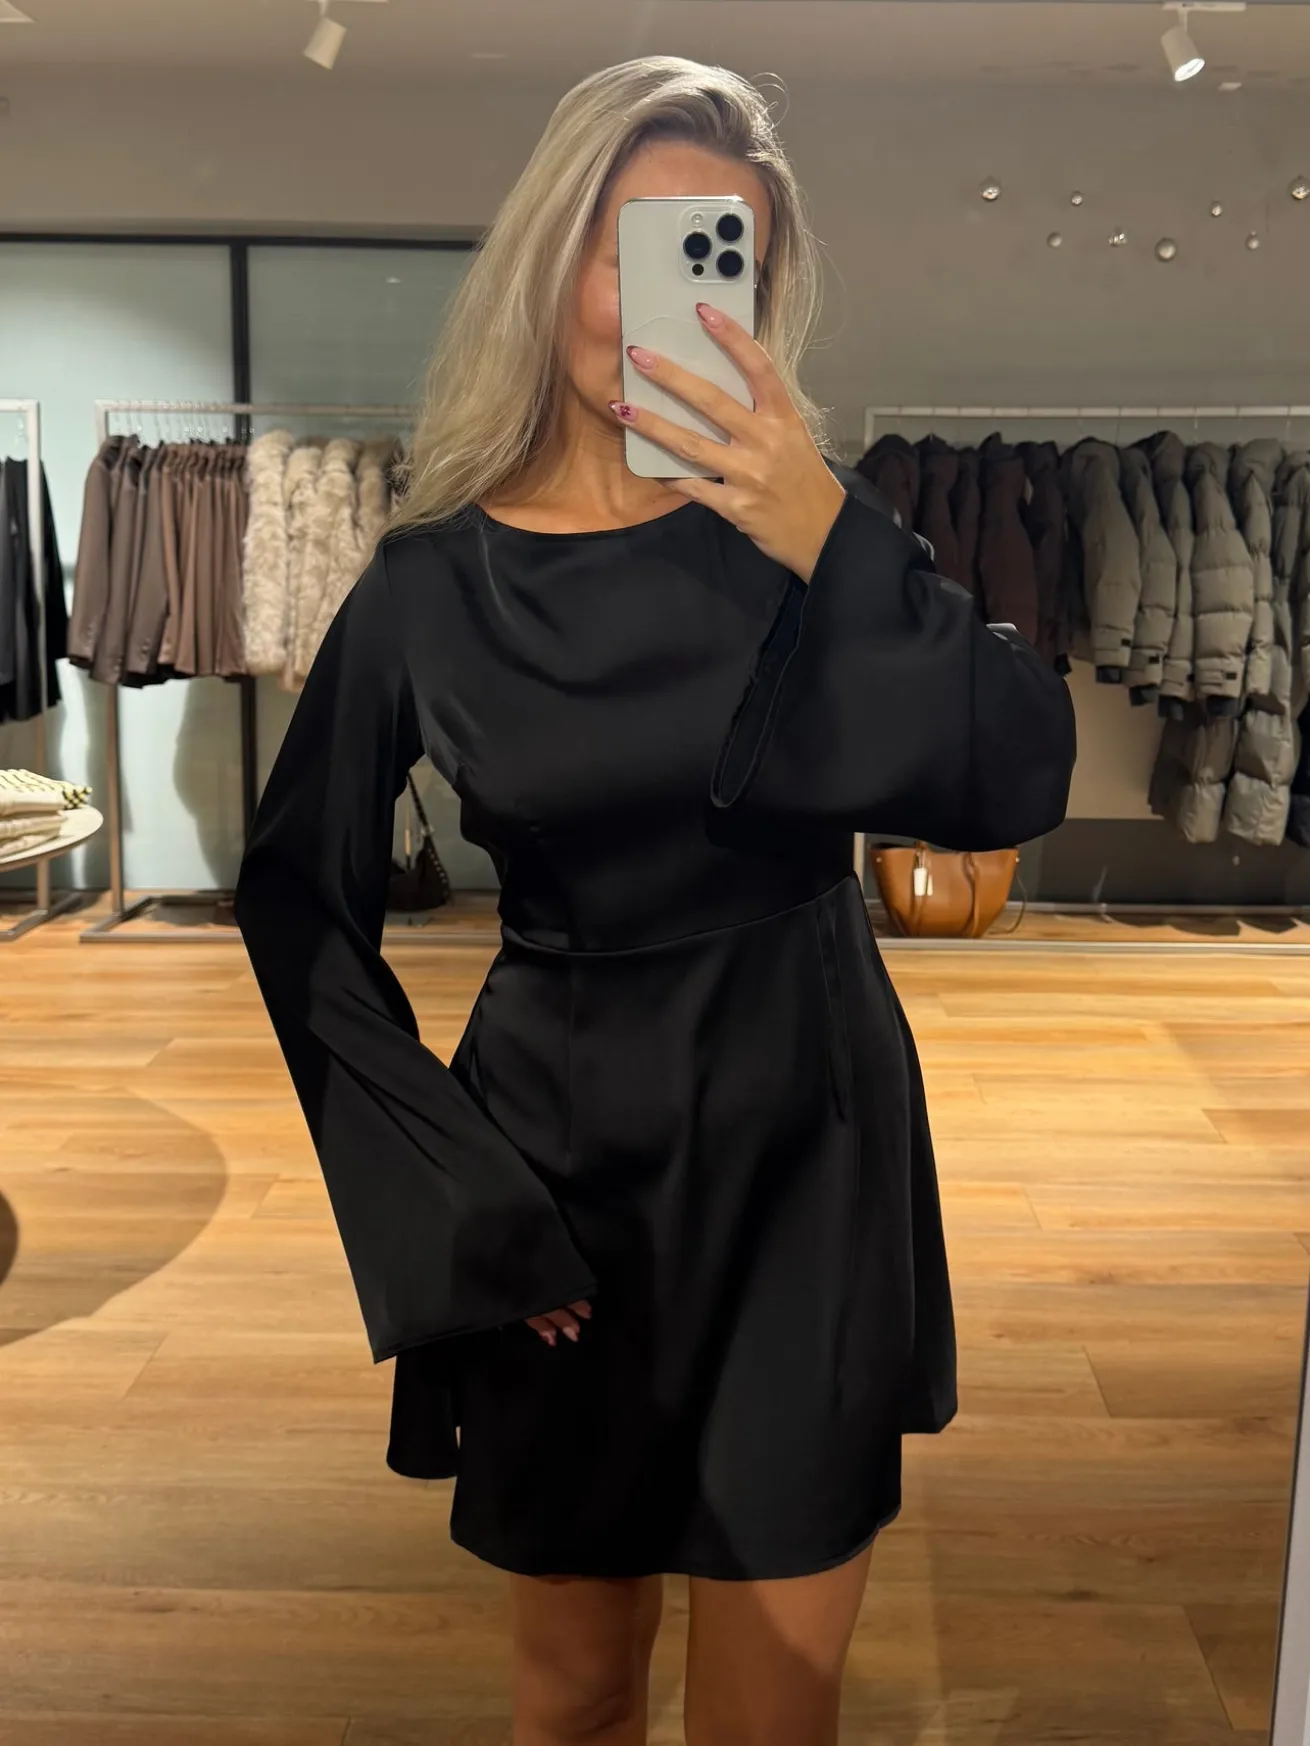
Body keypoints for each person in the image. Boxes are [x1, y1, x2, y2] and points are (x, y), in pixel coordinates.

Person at [234, 54, 1076, 1746]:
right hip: (563, 1183)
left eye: (716, 259)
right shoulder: (431, 587)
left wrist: (829, 533)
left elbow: (1012, 773)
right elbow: (295, 908)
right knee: (574, 1695)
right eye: (630, 246)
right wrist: (458, 1206)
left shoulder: (814, 545)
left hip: (803, 1159)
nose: (663, 299)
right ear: (554, 265)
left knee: (774, 1706)